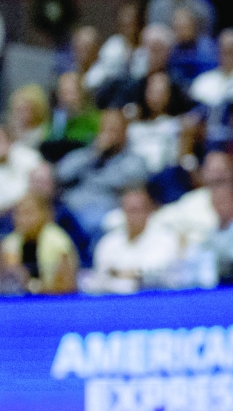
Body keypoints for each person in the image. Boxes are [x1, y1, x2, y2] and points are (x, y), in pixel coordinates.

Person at [57, 108, 148, 237]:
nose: (108, 134)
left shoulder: (134, 160)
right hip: (70, 210)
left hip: (103, 213)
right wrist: (93, 154)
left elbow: (128, 182)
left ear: (124, 132)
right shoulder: (86, 154)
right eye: (105, 128)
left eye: (113, 129)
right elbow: (62, 174)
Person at [85, 186, 179, 294]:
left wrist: (119, 274)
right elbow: (102, 275)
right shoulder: (109, 242)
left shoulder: (165, 239)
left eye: (138, 210)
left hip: (155, 301)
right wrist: (129, 276)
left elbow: (154, 274)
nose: (133, 216)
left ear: (149, 211)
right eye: (129, 210)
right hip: (115, 301)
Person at [1, 193, 78, 294]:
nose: (24, 219)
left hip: (52, 300)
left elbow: (67, 285)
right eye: (19, 214)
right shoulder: (10, 243)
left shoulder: (58, 241)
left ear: (45, 214)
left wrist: (38, 287)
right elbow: (8, 283)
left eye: (29, 213)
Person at [0, 124, 43, 215]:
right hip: (8, 217)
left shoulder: (25, 155)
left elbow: (42, 183)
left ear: (8, 140)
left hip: (38, 207)